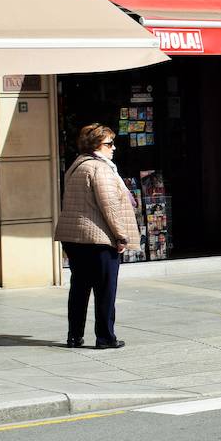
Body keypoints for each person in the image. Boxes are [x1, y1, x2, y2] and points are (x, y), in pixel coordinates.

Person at [53, 123, 141, 349]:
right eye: (109, 144)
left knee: (79, 289)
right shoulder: (100, 168)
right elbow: (109, 205)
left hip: (75, 237)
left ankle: (74, 336)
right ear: (96, 146)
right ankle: (105, 338)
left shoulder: (76, 165)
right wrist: (121, 237)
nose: (113, 148)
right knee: (105, 290)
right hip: (98, 239)